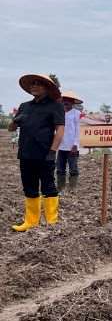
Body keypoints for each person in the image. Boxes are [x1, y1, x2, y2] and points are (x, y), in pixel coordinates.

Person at [9, 74, 65, 231]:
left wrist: (53, 151)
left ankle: (51, 223)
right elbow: (11, 129)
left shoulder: (55, 106)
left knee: (48, 186)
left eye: (38, 83)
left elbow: (60, 130)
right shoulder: (24, 106)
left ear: (47, 87)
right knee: (29, 187)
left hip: (45, 153)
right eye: (32, 84)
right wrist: (15, 120)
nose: (34, 86)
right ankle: (31, 221)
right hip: (26, 153)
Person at [57, 90, 82, 194]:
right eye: (64, 100)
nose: (66, 102)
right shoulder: (59, 113)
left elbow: (79, 130)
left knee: (73, 168)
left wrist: (75, 144)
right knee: (60, 169)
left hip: (73, 146)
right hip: (61, 146)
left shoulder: (77, 114)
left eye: (69, 100)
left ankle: (72, 188)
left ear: (73, 102)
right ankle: (60, 188)